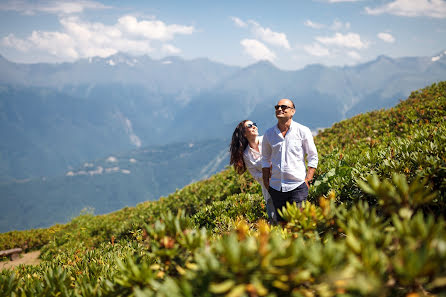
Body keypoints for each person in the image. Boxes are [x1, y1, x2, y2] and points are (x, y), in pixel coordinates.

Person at [262, 98, 318, 222]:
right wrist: (266, 181)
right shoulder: (269, 134)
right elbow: (265, 159)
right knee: (283, 226)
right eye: (277, 107)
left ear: (293, 111)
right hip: (276, 188)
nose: (279, 109)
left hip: (297, 186)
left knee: (298, 223)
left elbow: (313, 156)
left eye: (283, 107)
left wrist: (308, 179)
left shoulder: (303, 131)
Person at [229, 120, 277, 223]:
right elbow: (256, 175)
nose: (254, 127)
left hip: (286, 184)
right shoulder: (246, 155)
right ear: (244, 133)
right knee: (276, 222)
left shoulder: (267, 140)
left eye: (254, 124)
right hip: (269, 192)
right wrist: (269, 171)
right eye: (250, 126)